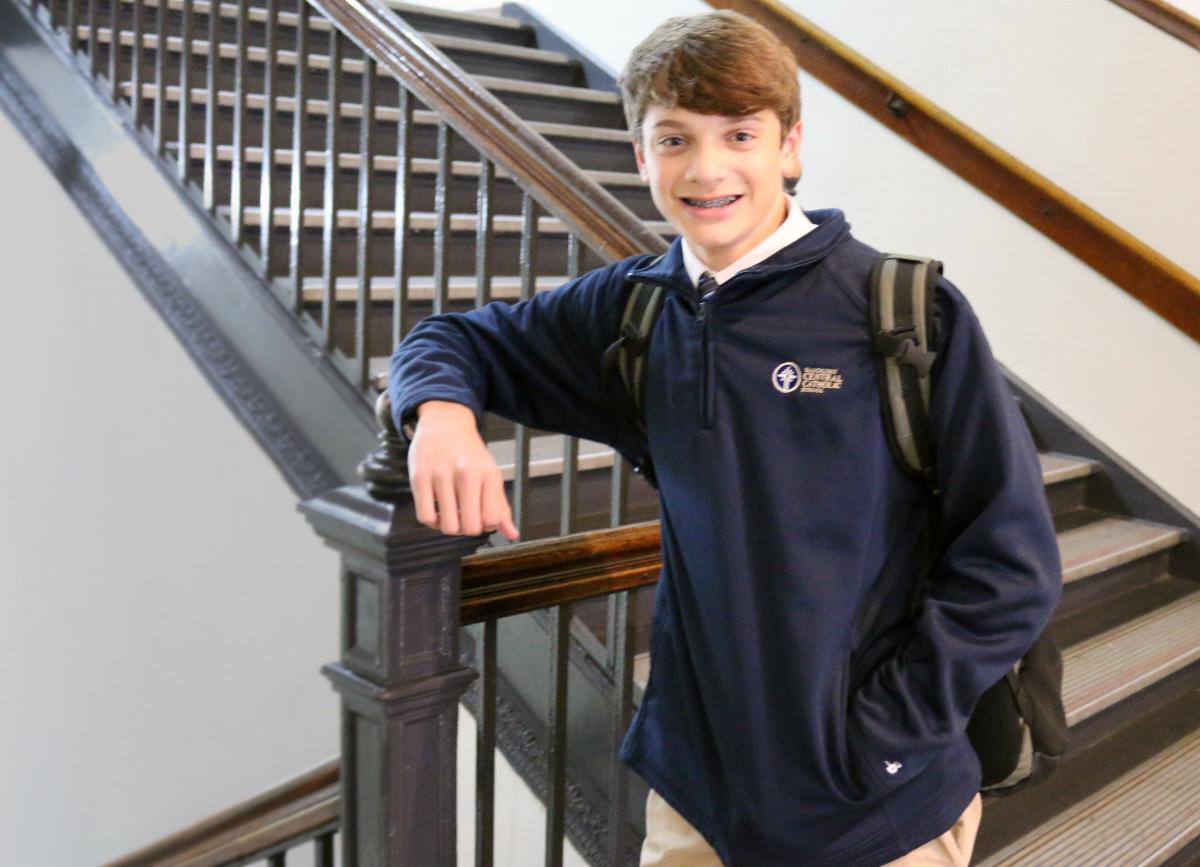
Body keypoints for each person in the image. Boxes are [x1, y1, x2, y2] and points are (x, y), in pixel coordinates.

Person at [388, 10, 1061, 866]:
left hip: (872, 807)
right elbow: (452, 340)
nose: (706, 169)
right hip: (699, 795)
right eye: (674, 139)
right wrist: (440, 413)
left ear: (790, 147)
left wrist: (883, 739)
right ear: (642, 156)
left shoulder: (904, 313)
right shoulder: (634, 308)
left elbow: (1011, 565)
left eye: (739, 135)